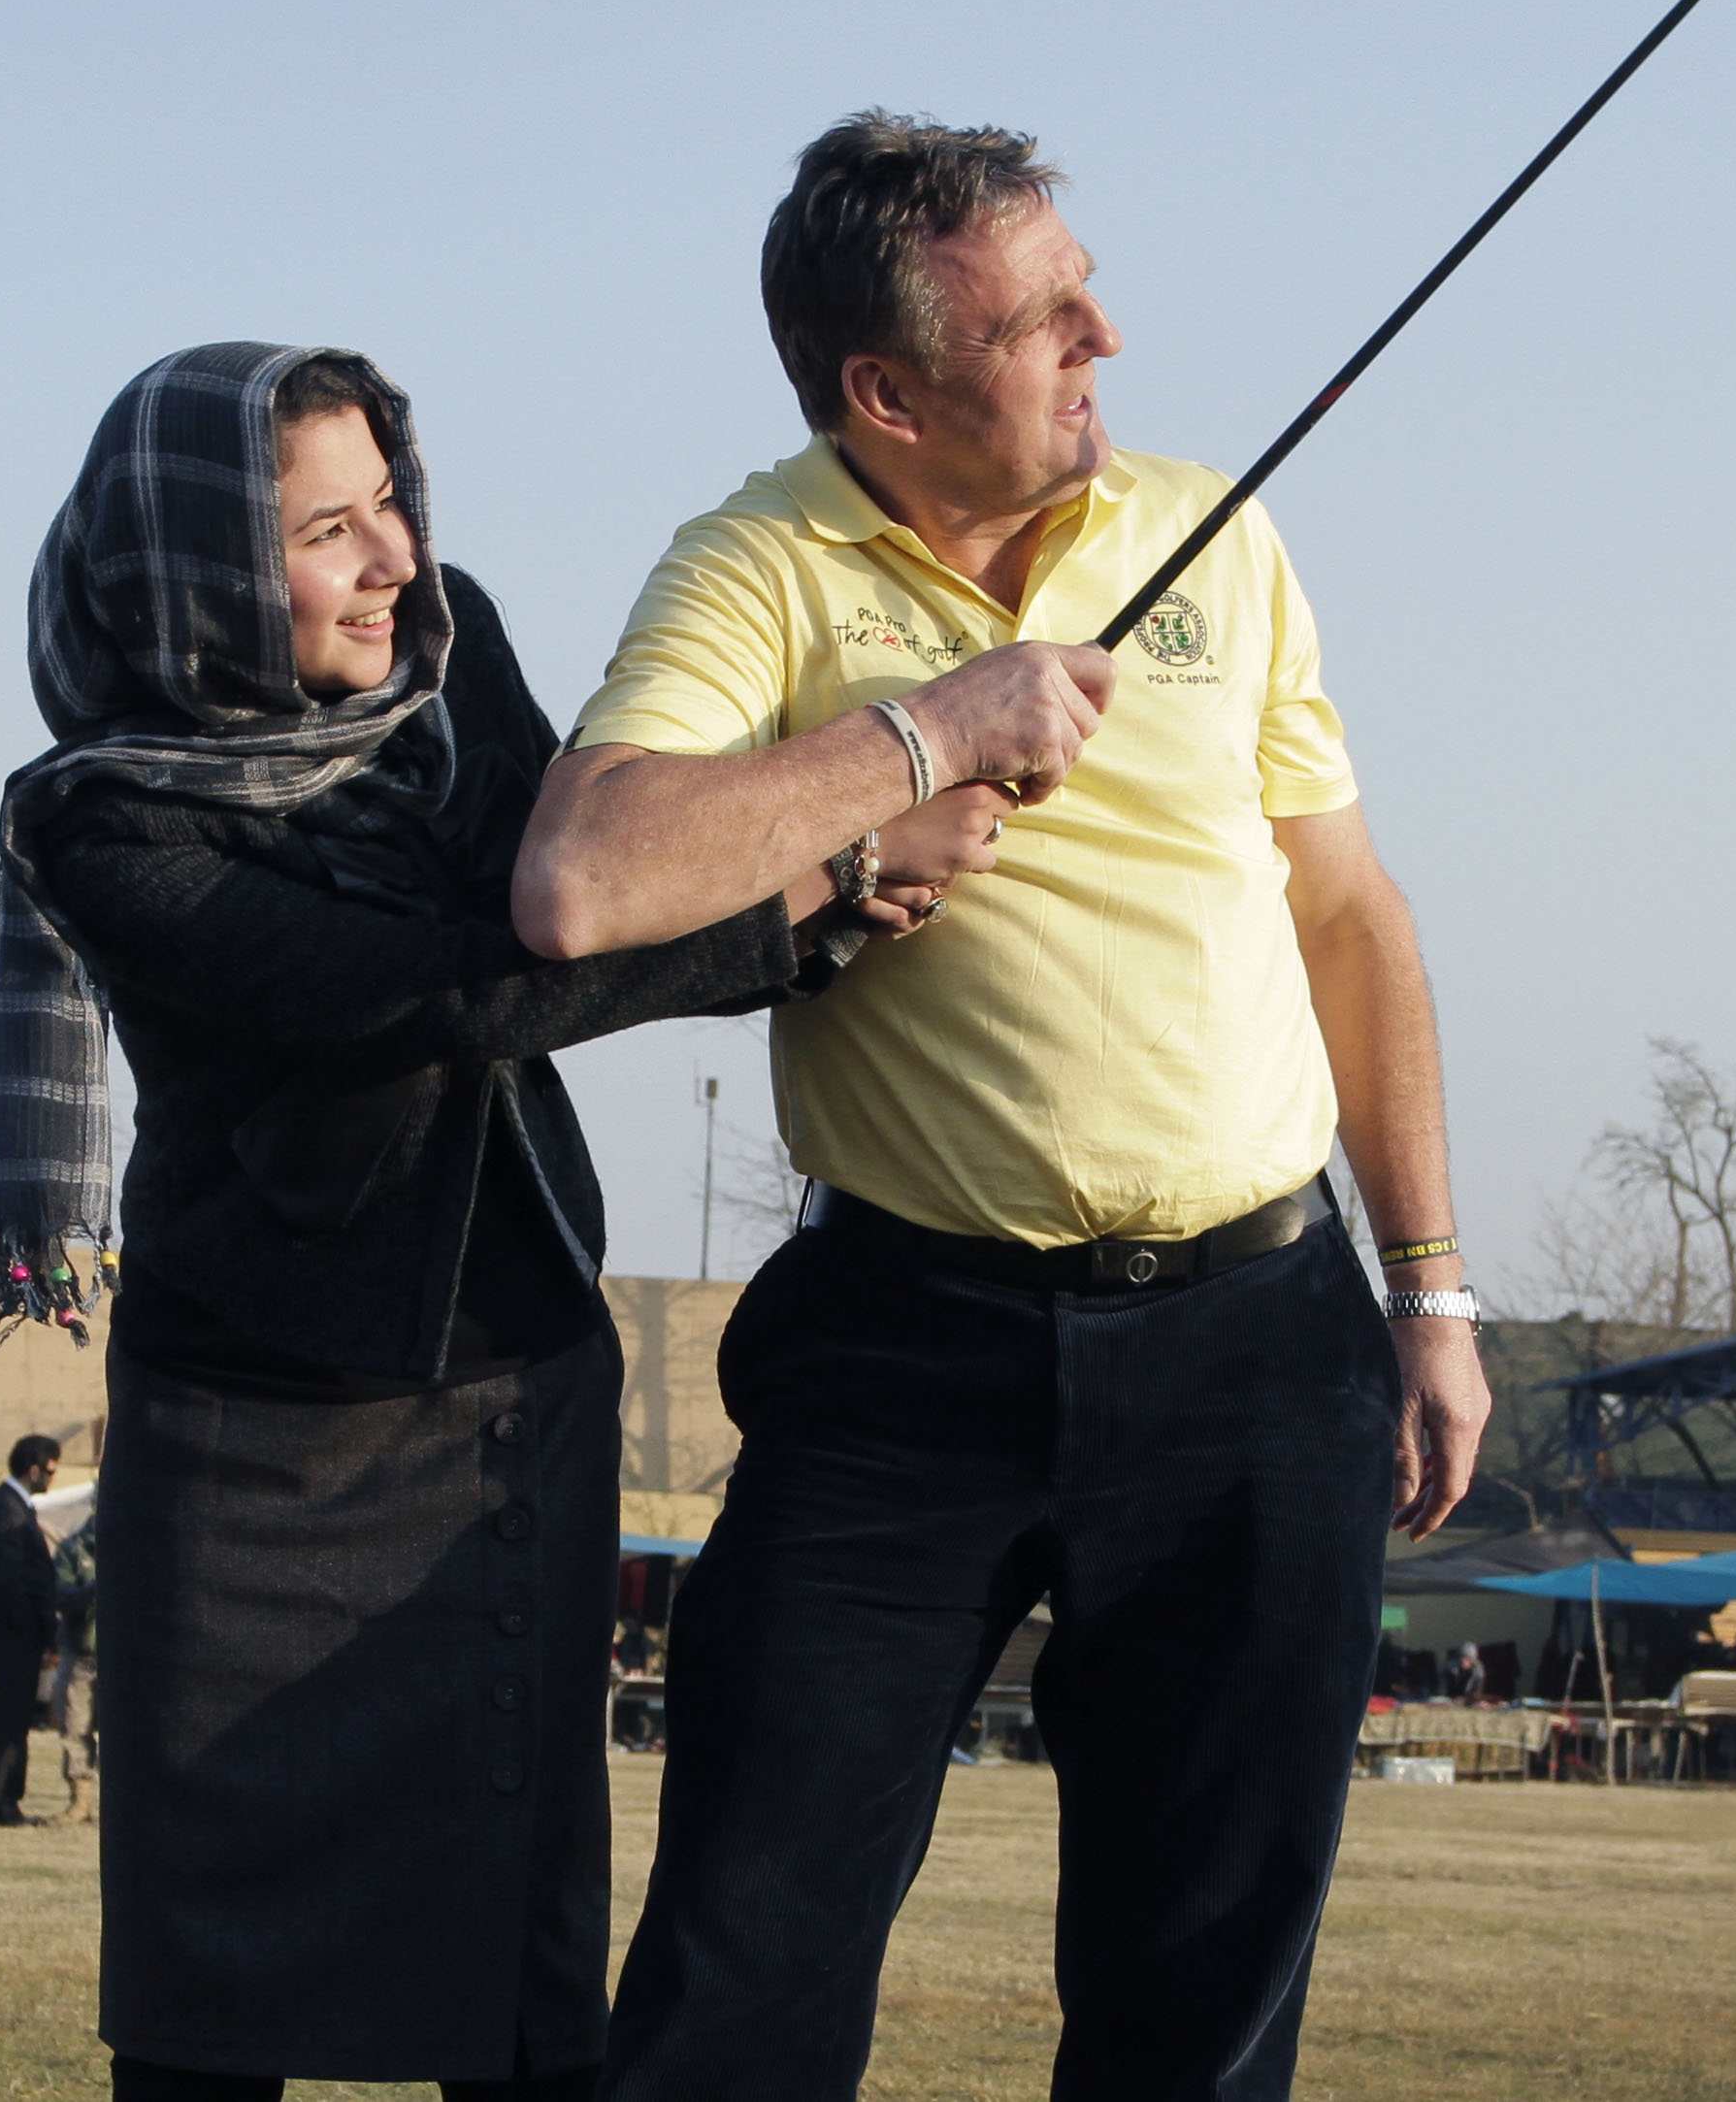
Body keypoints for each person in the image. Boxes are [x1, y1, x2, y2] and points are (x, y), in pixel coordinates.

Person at [515, 114, 1493, 2102]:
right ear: (887, 390)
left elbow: (1350, 913)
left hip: (1261, 1349)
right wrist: (930, 728)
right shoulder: (760, 562)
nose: (1106, 339)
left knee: (1199, 2008)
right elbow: (580, 879)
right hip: (904, 1362)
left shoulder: (1218, 531)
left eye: (1085, 291)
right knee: (737, 1979)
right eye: (1044, 321)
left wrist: (1436, 1291)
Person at [0, 341, 824, 2101]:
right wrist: (800, 893)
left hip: (512, 1411)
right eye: (325, 529)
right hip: (243, 1429)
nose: (393, 557)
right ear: (194, 568)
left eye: (388, 499)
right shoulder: (104, 817)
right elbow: (451, 984)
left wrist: (829, 881)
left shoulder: (449, 654)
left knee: (526, 1975)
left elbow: (583, 893)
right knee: (202, 2003)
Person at [0, 1434, 59, 1828]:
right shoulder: (7, 1511)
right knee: (11, 1717)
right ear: (34, 1468)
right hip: (15, 1635)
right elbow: (13, 1582)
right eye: (50, 1469)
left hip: (19, 1633)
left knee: (16, 1717)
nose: (51, 1478)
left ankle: (8, 1798)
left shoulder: (12, 1508)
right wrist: (37, 1631)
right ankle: (2, 1802)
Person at [46, 1500, 99, 1828]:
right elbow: (61, 1596)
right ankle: (79, 1800)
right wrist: (93, 1588)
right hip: (81, 1652)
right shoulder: (73, 1548)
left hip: (123, 1658)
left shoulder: (136, 1542)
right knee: (74, 1726)